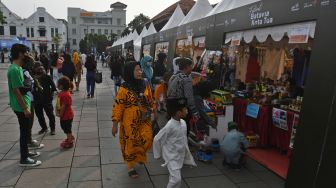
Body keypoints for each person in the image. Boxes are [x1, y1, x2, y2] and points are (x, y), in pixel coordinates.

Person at [112, 61, 156, 178]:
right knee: (131, 142)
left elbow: (150, 98)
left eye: (140, 69)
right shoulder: (124, 88)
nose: (140, 72)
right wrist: (115, 124)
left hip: (144, 117)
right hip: (129, 122)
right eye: (137, 70)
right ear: (129, 72)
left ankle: (139, 155)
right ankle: (131, 166)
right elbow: (118, 106)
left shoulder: (144, 83)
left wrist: (154, 110)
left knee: (147, 139)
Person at [7, 44, 42, 166]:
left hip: (22, 104)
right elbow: (16, 91)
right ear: (20, 54)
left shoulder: (17, 68)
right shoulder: (15, 69)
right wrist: (25, 108)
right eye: (26, 52)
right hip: (21, 106)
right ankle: (24, 158)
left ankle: (26, 153)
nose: (27, 54)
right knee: (24, 132)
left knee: (26, 131)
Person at [153, 97, 197, 188]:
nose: (187, 111)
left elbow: (184, 139)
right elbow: (157, 139)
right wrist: (157, 154)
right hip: (171, 157)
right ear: (178, 112)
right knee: (176, 179)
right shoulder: (169, 126)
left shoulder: (183, 123)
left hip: (179, 155)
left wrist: (187, 152)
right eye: (184, 109)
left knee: (176, 179)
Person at [168, 58, 199, 122]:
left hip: (170, 106)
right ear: (187, 67)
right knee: (184, 128)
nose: (192, 68)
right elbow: (189, 96)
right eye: (191, 66)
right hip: (180, 108)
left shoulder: (173, 76)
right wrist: (194, 112)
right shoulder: (185, 78)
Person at [33, 63, 57, 135]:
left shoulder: (47, 77)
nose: (41, 70)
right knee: (39, 115)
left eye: (42, 68)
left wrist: (51, 96)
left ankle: (52, 129)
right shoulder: (33, 78)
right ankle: (44, 128)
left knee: (50, 115)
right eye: (38, 68)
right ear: (35, 69)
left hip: (47, 99)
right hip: (37, 100)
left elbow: (53, 87)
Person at [56, 76, 75, 148]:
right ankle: (69, 137)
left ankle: (70, 142)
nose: (57, 85)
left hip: (66, 116)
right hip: (65, 115)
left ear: (62, 86)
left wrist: (60, 114)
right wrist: (57, 110)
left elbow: (63, 106)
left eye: (58, 84)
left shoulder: (65, 95)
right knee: (65, 127)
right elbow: (58, 103)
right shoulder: (62, 93)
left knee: (67, 128)